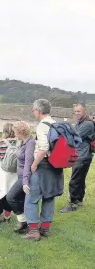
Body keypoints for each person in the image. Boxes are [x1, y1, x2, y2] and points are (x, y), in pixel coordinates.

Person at [24, 99, 64, 240]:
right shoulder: (55, 123)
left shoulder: (42, 125)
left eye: (33, 109)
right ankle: (45, 229)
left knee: (31, 198)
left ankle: (33, 232)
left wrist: (34, 164)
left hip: (44, 164)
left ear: (39, 111)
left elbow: (43, 148)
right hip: (56, 165)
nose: (32, 112)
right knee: (49, 196)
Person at [60, 103, 95, 212]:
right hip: (83, 154)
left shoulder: (87, 124)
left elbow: (74, 138)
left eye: (78, 111)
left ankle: (73, 204)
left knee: (74, 180)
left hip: (82, 156)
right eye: (75, 111)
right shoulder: (80, 123)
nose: (76, 114)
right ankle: (79, 201)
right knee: (80, 179)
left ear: (84, 111)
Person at [6, 121, 35, 233]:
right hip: (21, 176)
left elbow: (28, 163)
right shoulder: (24, 142)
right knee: (21, 199)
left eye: (15, 131)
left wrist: (25, 182)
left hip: (24, 177)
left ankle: (22, 221)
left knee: (11, 197)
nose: (14, 133)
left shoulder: (30, 143)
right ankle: (27, 223)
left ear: (20, 132)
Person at [0, 123, 18, 222]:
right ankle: (7, 216)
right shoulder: (19, 143)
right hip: (14, 173)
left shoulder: (0, 143)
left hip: (1, 172)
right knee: (10, 194)